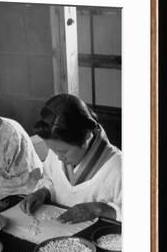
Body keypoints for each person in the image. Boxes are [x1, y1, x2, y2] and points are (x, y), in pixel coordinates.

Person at [20, 93, 122, 223]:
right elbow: (49, 179)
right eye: (53, 150)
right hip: (55, 228)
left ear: (86, 137)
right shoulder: (57, 152)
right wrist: (42, 193)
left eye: (63, 151)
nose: (58, 157)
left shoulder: (118, 167)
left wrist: (98, 209)